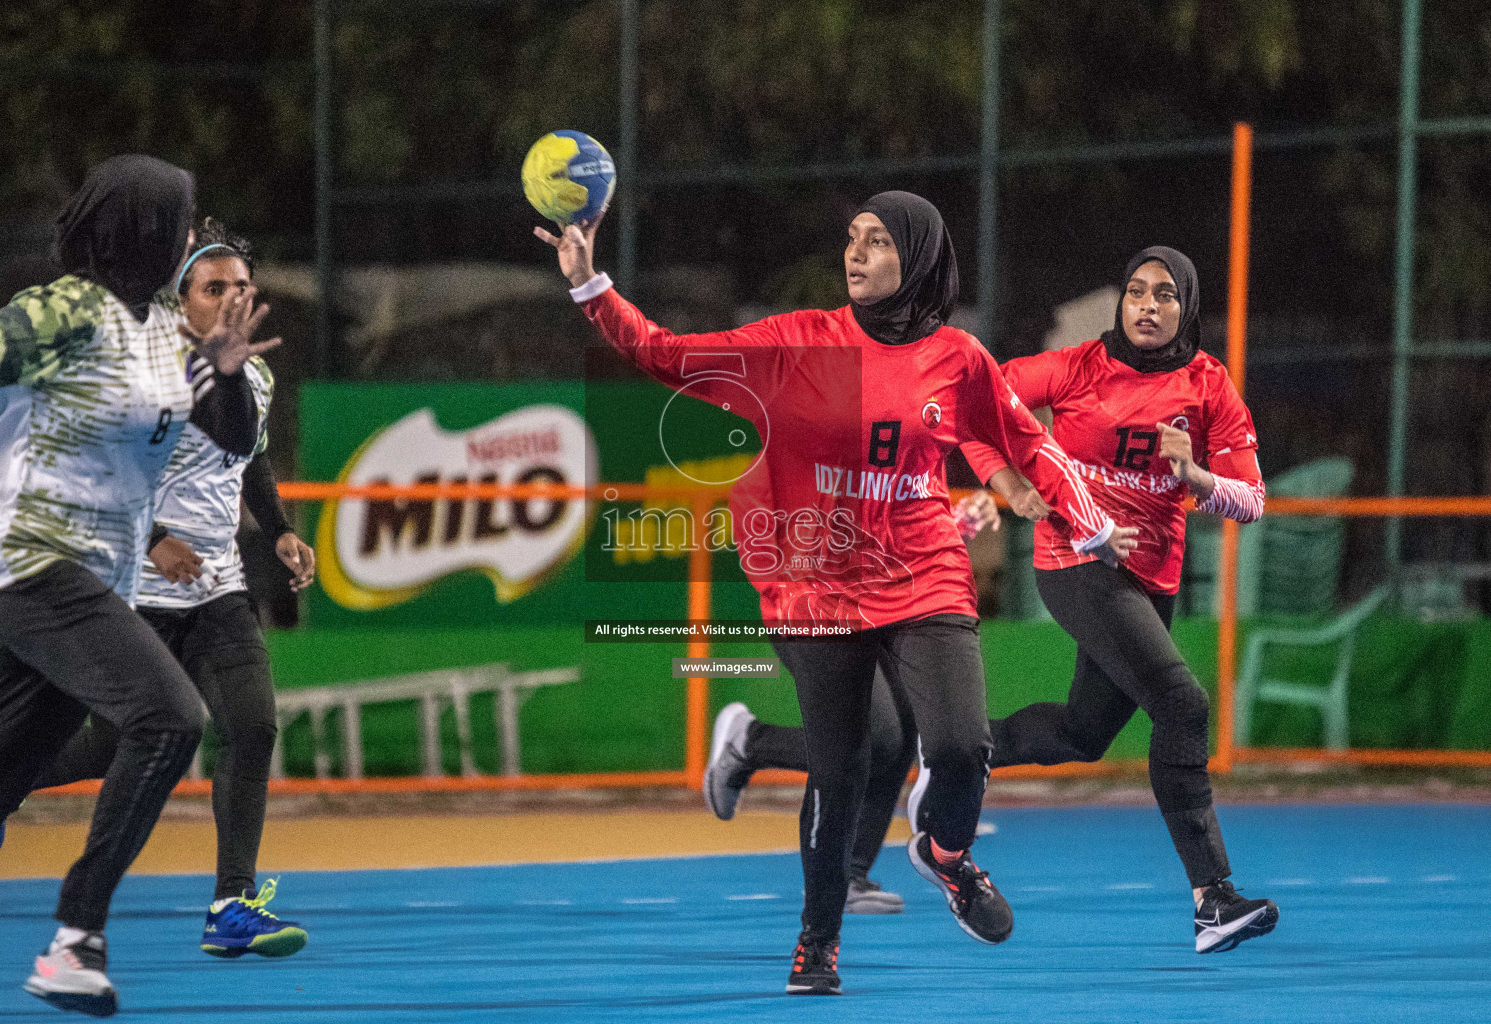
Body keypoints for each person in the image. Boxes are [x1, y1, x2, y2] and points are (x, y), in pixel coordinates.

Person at [536, 191, 1134, 995]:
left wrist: (1087, 521)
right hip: (814, 580)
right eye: (851, 240)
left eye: (878, 242)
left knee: (960, 746)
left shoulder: (956, 357)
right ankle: (818, 940)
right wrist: (590, 287)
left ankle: (946, 856)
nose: (855, 254)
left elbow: (1027, 442)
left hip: (923, 570)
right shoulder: (797, 342)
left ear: (917, 259)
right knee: (843, 767)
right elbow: (668, 355)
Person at [0, 155, 277, 1017]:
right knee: (172, 717)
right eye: (180, 215)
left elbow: (235, 439)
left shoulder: (159, 334)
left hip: (94, 580)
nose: (187, 232)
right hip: (28, 563)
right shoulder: (67, 307)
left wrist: (228, 368)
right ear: (142, 226)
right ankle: (76, 941)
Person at [950, 246, 1279, 954]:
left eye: (1164, 295)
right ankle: (1213, 900)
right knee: (1184, 706)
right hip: (1076, 561)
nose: (1148, 306)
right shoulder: (1076, 367)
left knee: (1082, 734)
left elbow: (1252, 499)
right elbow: (971, 405)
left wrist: (1195, 475)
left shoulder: (1207, 385)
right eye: (1137, 292)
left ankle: (951, 750)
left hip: (1148, 581)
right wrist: (1005, 484)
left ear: (1186, 307)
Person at [25, 219, 314, 960]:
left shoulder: (253, 372)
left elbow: (251, 457)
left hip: (218, 585)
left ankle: (230, 904)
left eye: (241, 286)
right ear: (180, 297)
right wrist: (154, 537)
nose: (231, 297)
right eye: (214, 286)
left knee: (251, 727)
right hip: (137, 586)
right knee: (107, 747)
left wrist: (278, 528)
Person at [702, 486, 1026, 916]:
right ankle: (753, 743)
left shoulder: (885, 445)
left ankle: (851, 872)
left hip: (890, 605)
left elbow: (897, 520)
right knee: (876, 738)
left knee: (899, 737)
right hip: (817, 610)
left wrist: (957, 521)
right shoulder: (802, 447)